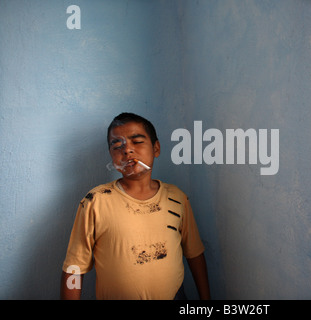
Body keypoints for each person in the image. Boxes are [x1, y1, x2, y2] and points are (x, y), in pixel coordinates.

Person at [60, 112, 210, 300]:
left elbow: (194, 254)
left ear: (156, 148)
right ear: (111, 155)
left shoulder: (177, 198)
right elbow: (74, 268)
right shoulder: (96, 201)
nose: (127, 150)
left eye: (137, 141)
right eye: (117, 145)